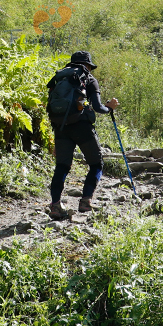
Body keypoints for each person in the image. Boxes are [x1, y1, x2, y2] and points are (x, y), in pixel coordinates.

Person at [45, 51, 119, 220]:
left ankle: (55, 205)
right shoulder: (88, 79)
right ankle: (85, 201)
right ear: (87, 65)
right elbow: (99, 107)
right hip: (82, 127)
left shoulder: (58, 79)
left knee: (62, 166)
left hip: (61, 128)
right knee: (96, 164)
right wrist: (110, 107)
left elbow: (52, 108)